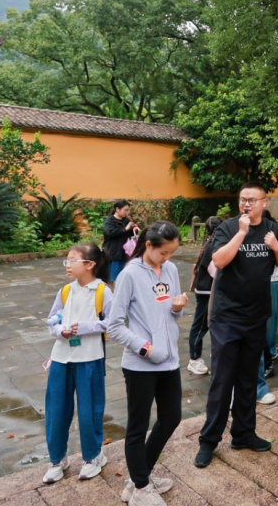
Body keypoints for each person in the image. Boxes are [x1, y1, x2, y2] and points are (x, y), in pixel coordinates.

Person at [196, 183, 278, 469]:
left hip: (256, 317)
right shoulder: (227, 227)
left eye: (251, 200)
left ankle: (243, 433)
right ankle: (208, 441)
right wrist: (241, 232)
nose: (246, 205)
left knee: (249, 380)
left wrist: (275, 247)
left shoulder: (273, 229)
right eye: (242, 200)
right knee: (222, 381)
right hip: (227, 318)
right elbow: (219, 260)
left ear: (264, 201)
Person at [106, 222, 186, 506]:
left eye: (171, 253)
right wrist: (145, 347)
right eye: (163, 252)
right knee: (138, 426)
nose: (167, 258)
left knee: (172, 417)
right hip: (141, 364)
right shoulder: (129, 274)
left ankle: (139, 477)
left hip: (169, 359)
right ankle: (140, 487)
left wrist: (177, 307)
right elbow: (114, 325)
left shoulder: (171, 270)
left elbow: (171, 313)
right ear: (148, 245)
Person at [42, 243, 112, 485]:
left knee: (89, 410)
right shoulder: (65, 291)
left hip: (89, 359)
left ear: (90, 265)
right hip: (61, 358)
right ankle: (57, 460)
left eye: (73, 260)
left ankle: (93, 457)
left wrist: (85, 327)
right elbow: (52, 319)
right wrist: (60, 330)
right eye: (67, 260)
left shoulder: (102, 291)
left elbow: (113, 323)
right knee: (56, 411)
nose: (68, 265)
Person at [256, 204, 278, 403]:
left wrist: (274, 245)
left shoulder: (272, 233)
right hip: (255, 284)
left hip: (273, 281)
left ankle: (269, 354)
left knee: (270, 321)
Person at [187, 216, 222, 376]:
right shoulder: (215, 244)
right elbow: (215, 270)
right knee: (201, 325)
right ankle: (194, 359)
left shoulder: (210, 241)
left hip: (205, 289)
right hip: (207, 290)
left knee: (209, 323)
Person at [102, 200, 137, 287]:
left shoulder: (126, 221)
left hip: (124, 254)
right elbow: (109, 233)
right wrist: (125, 229)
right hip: (113, 254)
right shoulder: (109, 221)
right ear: (117, 209)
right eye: (125, 210)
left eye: (127, 210)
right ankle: (110, 297)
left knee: (123, 278)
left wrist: (133, 229)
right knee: (111, 278)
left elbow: (129, 235)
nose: (126, 212)